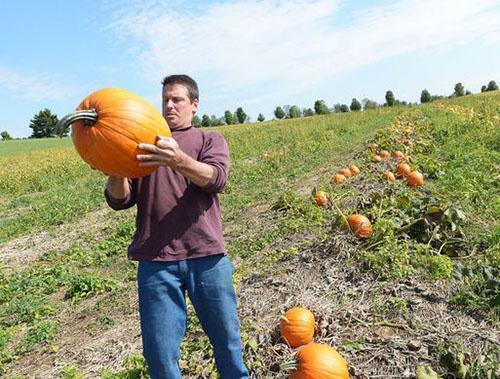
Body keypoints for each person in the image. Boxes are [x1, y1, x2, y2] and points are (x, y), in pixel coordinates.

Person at [104, 74, 249, 379]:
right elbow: (120, 200)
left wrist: (177, 159)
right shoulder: (141, 145)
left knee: (228, 345)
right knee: (159, 356)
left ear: (194, 104)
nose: (169, 105)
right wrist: (115, 170)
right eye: (165, 100)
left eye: (177, 99)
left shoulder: (209, 140)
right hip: (156, 264)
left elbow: (216, 179)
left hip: (207, 257)